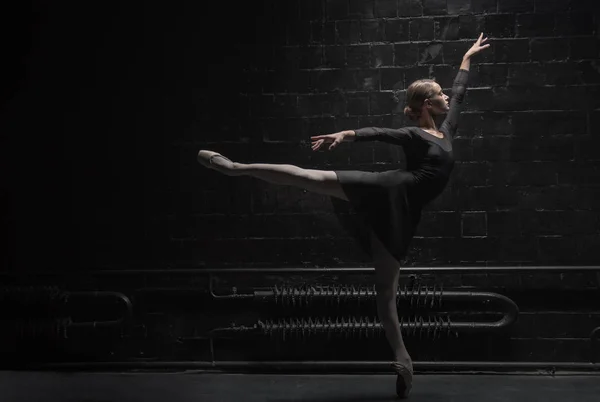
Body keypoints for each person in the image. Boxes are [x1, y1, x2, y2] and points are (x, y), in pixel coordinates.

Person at [197, 33, 490, 398]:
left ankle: (403, 359)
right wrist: (346, 134)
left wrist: (467, 57)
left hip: (403, 214)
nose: (447, 96)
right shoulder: (415, 134)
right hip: (387, 188)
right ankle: (235, 167)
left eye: (446, 93)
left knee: (385, 291)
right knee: (310, 177)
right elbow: (381, 133)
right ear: (427, 103)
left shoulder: (447, 131)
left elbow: (461, 92)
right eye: (440, 94)